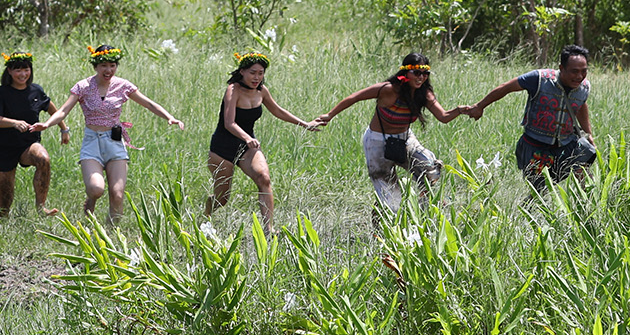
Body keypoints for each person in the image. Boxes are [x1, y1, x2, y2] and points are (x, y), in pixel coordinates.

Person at [38, 45, 182, 227]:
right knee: (96, 188)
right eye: (104, 65)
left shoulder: (123, 86)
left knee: (117, 194)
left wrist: (169, 117)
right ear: (96, 66)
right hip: (92, 141)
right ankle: (91, 199)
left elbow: (149, 104)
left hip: (114, 141)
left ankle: (111, 234)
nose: (109, 70)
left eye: (112, 65)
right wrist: (47, 124)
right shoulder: (83, 87)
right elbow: (63, 111)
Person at [310, 52, 462, 211]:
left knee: (429, 168)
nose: (421, 77)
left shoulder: (424, 94)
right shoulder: (388, 90)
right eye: (416, 73)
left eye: (425, 74)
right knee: (391, 201)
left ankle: (424, 213)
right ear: (405, 72)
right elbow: (354, 97)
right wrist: (329, 115)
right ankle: (379, 227)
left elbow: (443, 117)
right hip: (377, 142)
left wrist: (461, 110)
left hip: (404, 139)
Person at [204, 50, 316, 234]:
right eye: (252, 72)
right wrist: (247, 137)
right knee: (222, 199)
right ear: (242, 71)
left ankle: (268, 230)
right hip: (223, 148)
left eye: (260, 73)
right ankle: (207, 212)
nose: (257, 77)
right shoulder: (233, 90)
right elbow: (229, 122)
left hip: (248, 148)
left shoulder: (262, 91)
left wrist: (304, 124)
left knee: (264, 178)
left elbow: (278, 111)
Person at [465, 44, 595, 192]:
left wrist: (588, 133)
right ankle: (529, 209)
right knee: (539, 192)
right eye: (574, 71)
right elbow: (506, 87)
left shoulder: (584, 87)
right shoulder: (539, 79)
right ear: (561, 68)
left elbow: (580, 105)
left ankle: (588, 209)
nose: (579, 76)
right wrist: (480, 106)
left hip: (566, 144)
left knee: (585, 176)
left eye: (584, 71)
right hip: (535, 145)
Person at [0, 51, 64, 218]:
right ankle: (1, 224)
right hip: (4, 146)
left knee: (43, 159)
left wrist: (63, 128)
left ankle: (41, 207)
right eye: (18, 70)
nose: (23, 74)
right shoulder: (2, 92)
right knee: (5, 200)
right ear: (9, 71)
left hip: (28, 144)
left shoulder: (36, 91)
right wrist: (14, 123)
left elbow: (51, 107)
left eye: (26, 69)